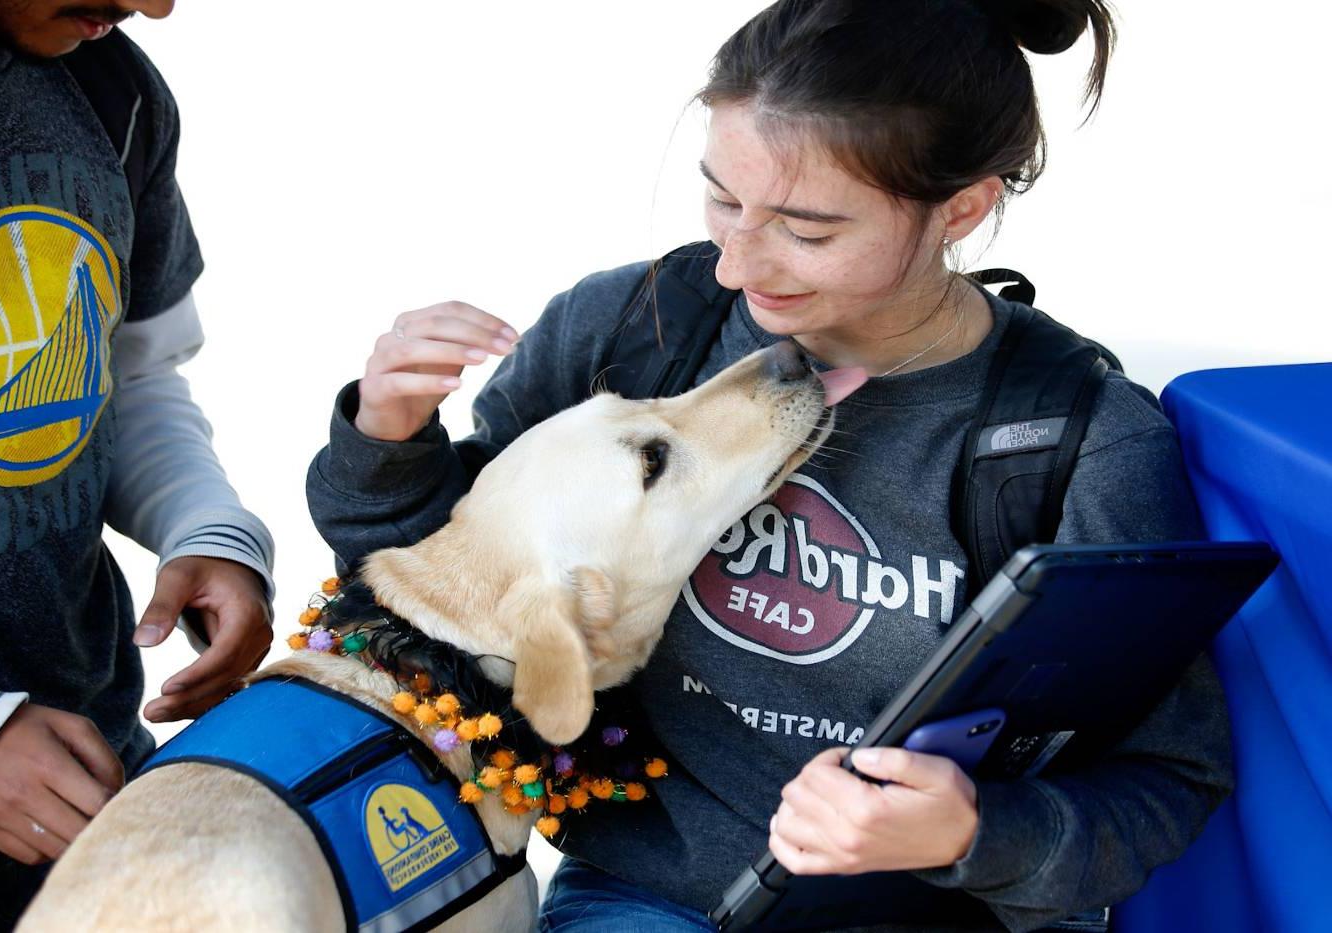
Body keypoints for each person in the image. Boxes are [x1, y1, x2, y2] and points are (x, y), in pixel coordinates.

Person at [306, 1, 1231, 930]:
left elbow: (1170, 777)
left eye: (807, 229)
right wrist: (387, 437)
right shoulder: (634, 335)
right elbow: (446, 592)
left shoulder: (1082, 443)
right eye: (722, 197)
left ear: (963, 206)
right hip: (653, 898)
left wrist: (973, 833)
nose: (735, 264)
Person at [0, 1, 275, 927]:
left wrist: (203, 526)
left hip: (89, 796)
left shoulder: (112, 87)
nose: (158, 3)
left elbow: (122, 373)